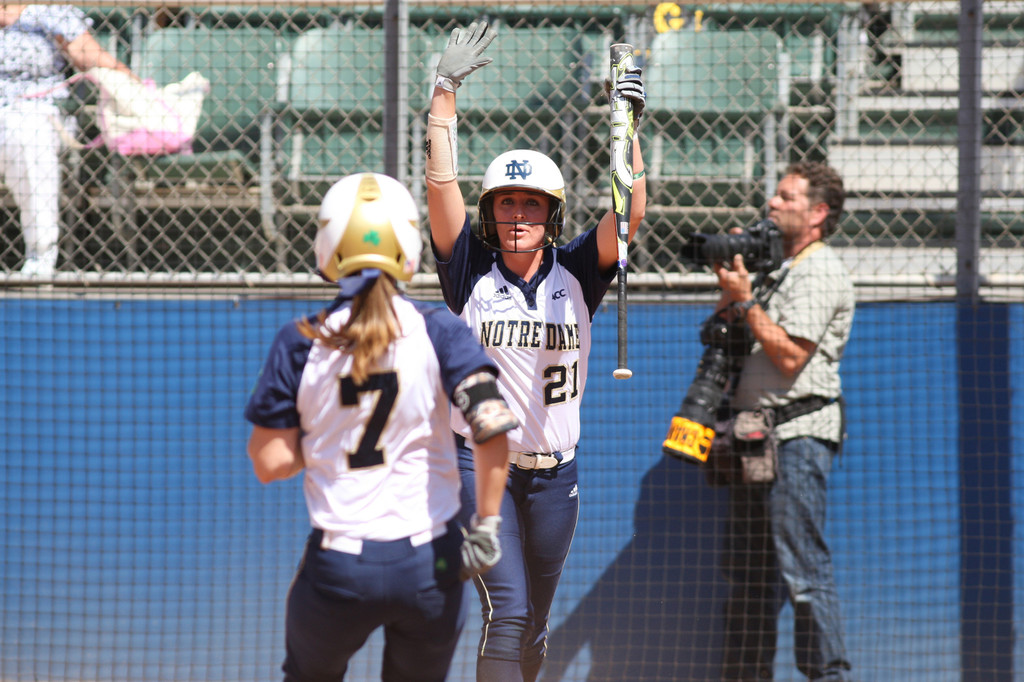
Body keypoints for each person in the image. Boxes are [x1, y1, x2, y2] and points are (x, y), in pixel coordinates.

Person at [423, 21, 647, 682]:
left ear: (551, 213)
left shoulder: (577, 270)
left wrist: (629, 131)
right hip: (479, 464)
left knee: (534, 626)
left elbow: (629, 213)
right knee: (510, 611)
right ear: (490, 214)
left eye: (531, 203)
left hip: (557, 476)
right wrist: (443, 93)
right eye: (505, 203)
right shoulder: (468, 269)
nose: (517, 213)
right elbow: (440, 190)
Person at [244, 172, 519, 682]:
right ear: (408, 248)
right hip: (431, 564)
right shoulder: (440, 331)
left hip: (339, 569)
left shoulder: (300, 340)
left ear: (329, 247)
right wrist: (485, 525)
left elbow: (269, 463)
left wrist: (326, 436)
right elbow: (493, 428)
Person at [712, 160, 855, 681]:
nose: (772, 203)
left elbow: (790, 358)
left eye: (786, 197)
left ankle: (828, 676)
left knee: (803, 570)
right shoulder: (776, 268)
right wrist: (733, 291)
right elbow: (727, 336)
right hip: (755, 439)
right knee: (749, 578)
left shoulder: (820, 269)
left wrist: (745, 298)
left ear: (818, 213)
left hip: (797, 437)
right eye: (774, 195)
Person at [0, 4, 137, 276]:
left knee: (23, 132)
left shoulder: (50, 14)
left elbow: (90, 57)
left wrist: (138, 87)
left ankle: (40, 258)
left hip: (37, 109)